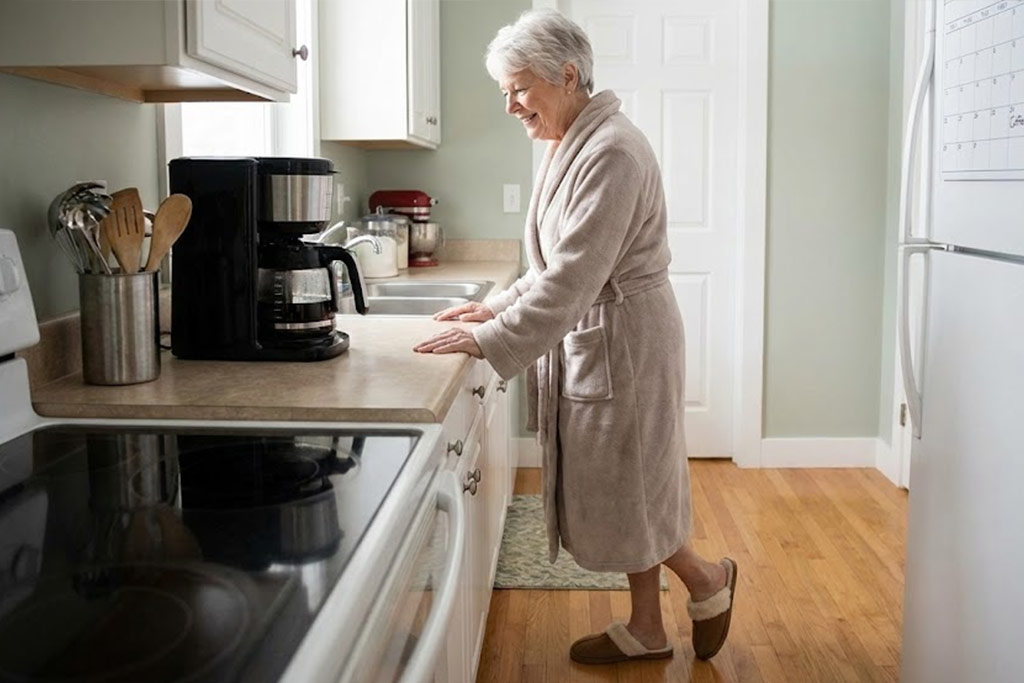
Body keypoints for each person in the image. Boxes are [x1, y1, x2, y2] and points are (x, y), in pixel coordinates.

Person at [413, 8, 737, 664]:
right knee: (628, 486)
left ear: (567, 75)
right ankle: (651, 623)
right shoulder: (571, 143)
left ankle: (706, 580)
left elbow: (572, 277)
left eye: (518, 87)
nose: (510, 105)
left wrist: (496, 338)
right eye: (503, 91)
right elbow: (549, 264)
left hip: (627, 342)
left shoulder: (612, 149)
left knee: (633, 486)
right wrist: (497, 306)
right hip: (605, 333)